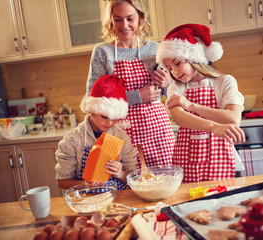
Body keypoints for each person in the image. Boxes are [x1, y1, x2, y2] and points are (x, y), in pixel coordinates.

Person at [86, 0, 174, 168]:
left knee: (164, 181)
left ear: (140, 17)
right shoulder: (103, 52)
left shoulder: (156, 49)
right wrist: (137, 96)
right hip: (120, 133)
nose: (124, 25)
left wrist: (168, 82)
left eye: (130, 18)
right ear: (110, 20)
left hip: (158, 132)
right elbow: (93, 100)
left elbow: (173, 95)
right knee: (126, 182)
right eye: (118, 19)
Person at [156, 23, 246, 183]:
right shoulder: (175, 87)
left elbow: (233, 118)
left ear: (193, 58)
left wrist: (191, 105)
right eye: (169, 68)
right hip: (185, 159)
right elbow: (180, 118)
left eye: (177, 63)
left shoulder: (224, 82)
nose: (174, 72)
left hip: (219, 157)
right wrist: (214, 126)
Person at [55, 75, 137, 190]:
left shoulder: (122, 137)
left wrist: (121, 174)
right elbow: (61, 182)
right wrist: (85, 184)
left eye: (115, 118)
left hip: (118, 199)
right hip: (86, 199)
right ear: (91, 110)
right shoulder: (73, 140)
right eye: (104, 117)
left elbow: (134, 176)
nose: (110, 123)